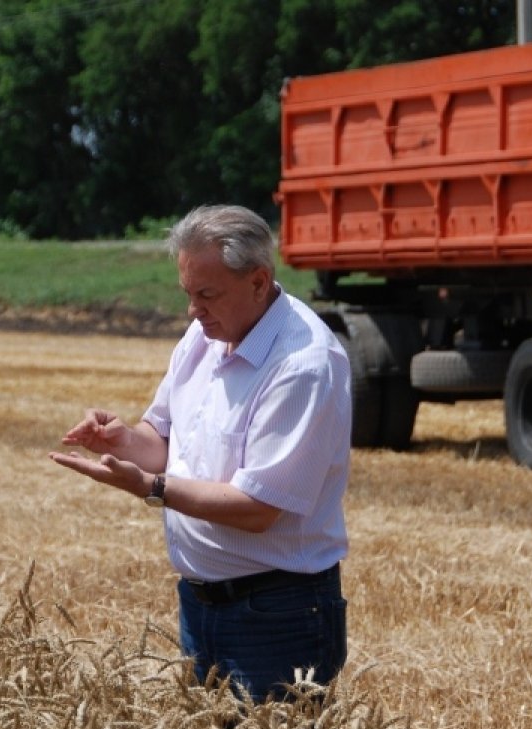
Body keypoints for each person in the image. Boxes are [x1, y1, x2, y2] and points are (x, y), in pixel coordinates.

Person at [48, 204, 351, 703]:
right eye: (188, 293)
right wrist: (122, 441)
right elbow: (163, 441)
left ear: (259, 281)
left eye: (207, 295)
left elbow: (258, 509)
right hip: (200, 601)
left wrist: (150, 489)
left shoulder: (303, 365)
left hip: (278, 611)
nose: (193, 310)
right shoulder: (204, 336)